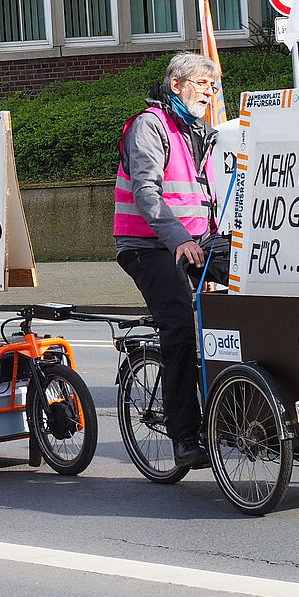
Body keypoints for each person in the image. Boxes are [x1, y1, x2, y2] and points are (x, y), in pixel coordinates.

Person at [115, 52, 227, 470]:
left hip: (195, 241)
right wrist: (179, 239)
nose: (210, 94)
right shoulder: (150, 125)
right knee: (179, 324)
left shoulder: (197, 131)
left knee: (251, 281)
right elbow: (148, 193)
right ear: (177, 85)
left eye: (213, 87)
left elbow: (203, 198)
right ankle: (184, 436)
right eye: (203, 85)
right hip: (147, 246)